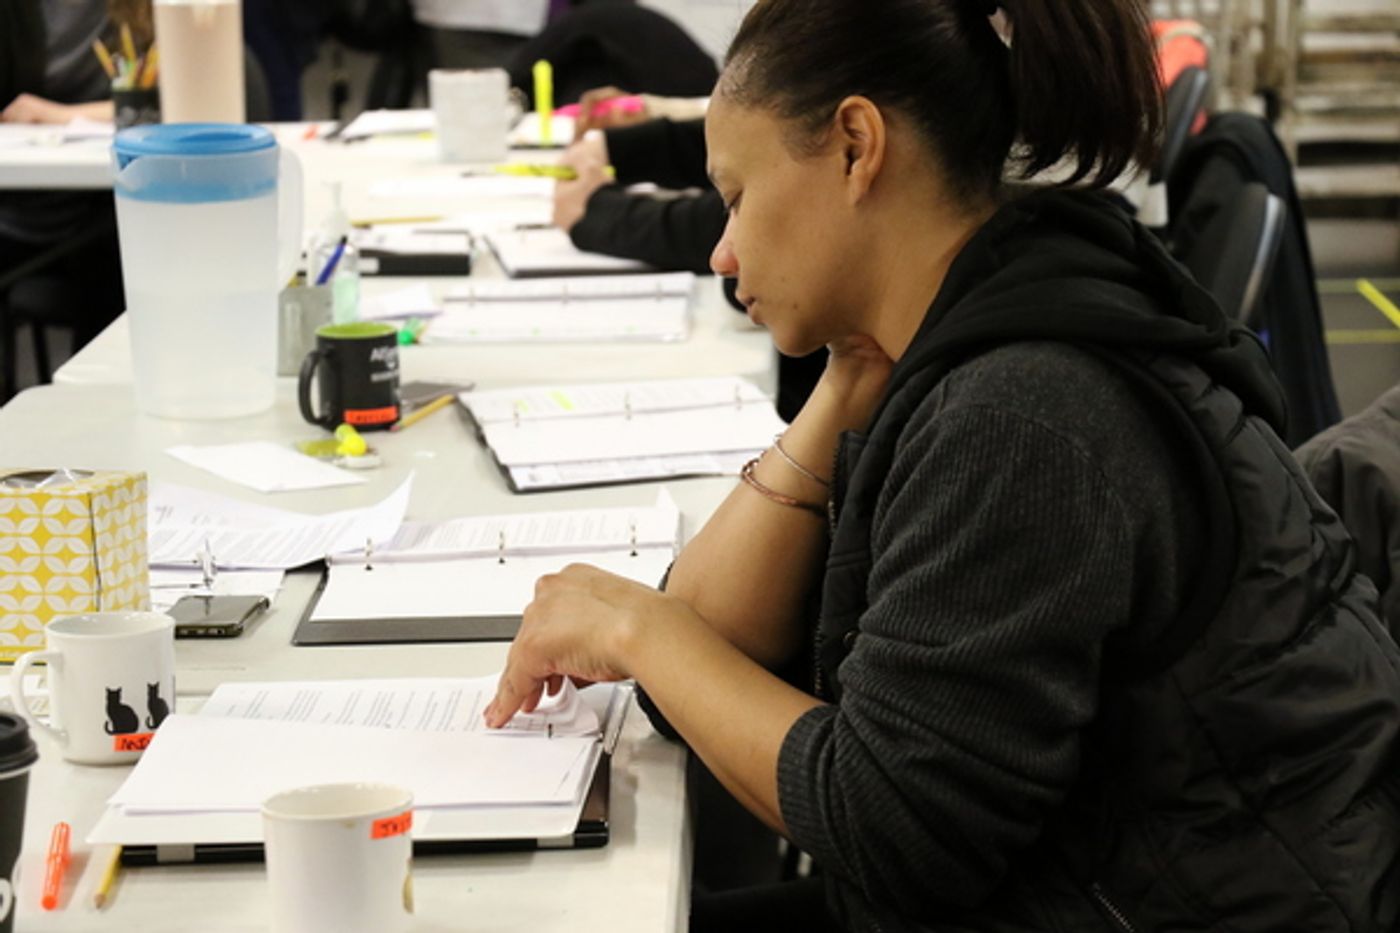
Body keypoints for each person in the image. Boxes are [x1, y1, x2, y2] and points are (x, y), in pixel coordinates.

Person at [484, 0, 1400, 931]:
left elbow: (893, 829)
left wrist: (642, 633)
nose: (721, 250)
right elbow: (709, 661)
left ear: (855, 146)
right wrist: (844, 384)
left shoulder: (1025, 412)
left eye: (738, 196)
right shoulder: (977, 321)